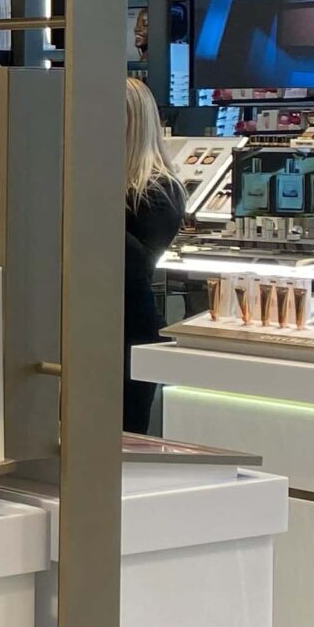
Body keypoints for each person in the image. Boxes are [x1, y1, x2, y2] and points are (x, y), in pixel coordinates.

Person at [123, 78, 187, 433]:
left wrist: (89, 201)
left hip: (129, 325)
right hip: (86, 320)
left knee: (124, 433)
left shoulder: (160, 189)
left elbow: (139, 263)